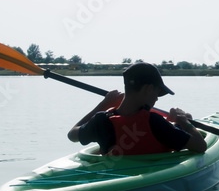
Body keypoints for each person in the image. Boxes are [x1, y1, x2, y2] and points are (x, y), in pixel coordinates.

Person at [67, 62, 208, 156]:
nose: (157, 99)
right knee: (187, 116)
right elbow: (201, 147)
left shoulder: (100, 120)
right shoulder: (155, 121)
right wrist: (185, 122)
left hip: (114, 174)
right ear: (148, 88)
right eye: (157, 93)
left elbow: (72, 135)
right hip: (149, 176)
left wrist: (104, 104)